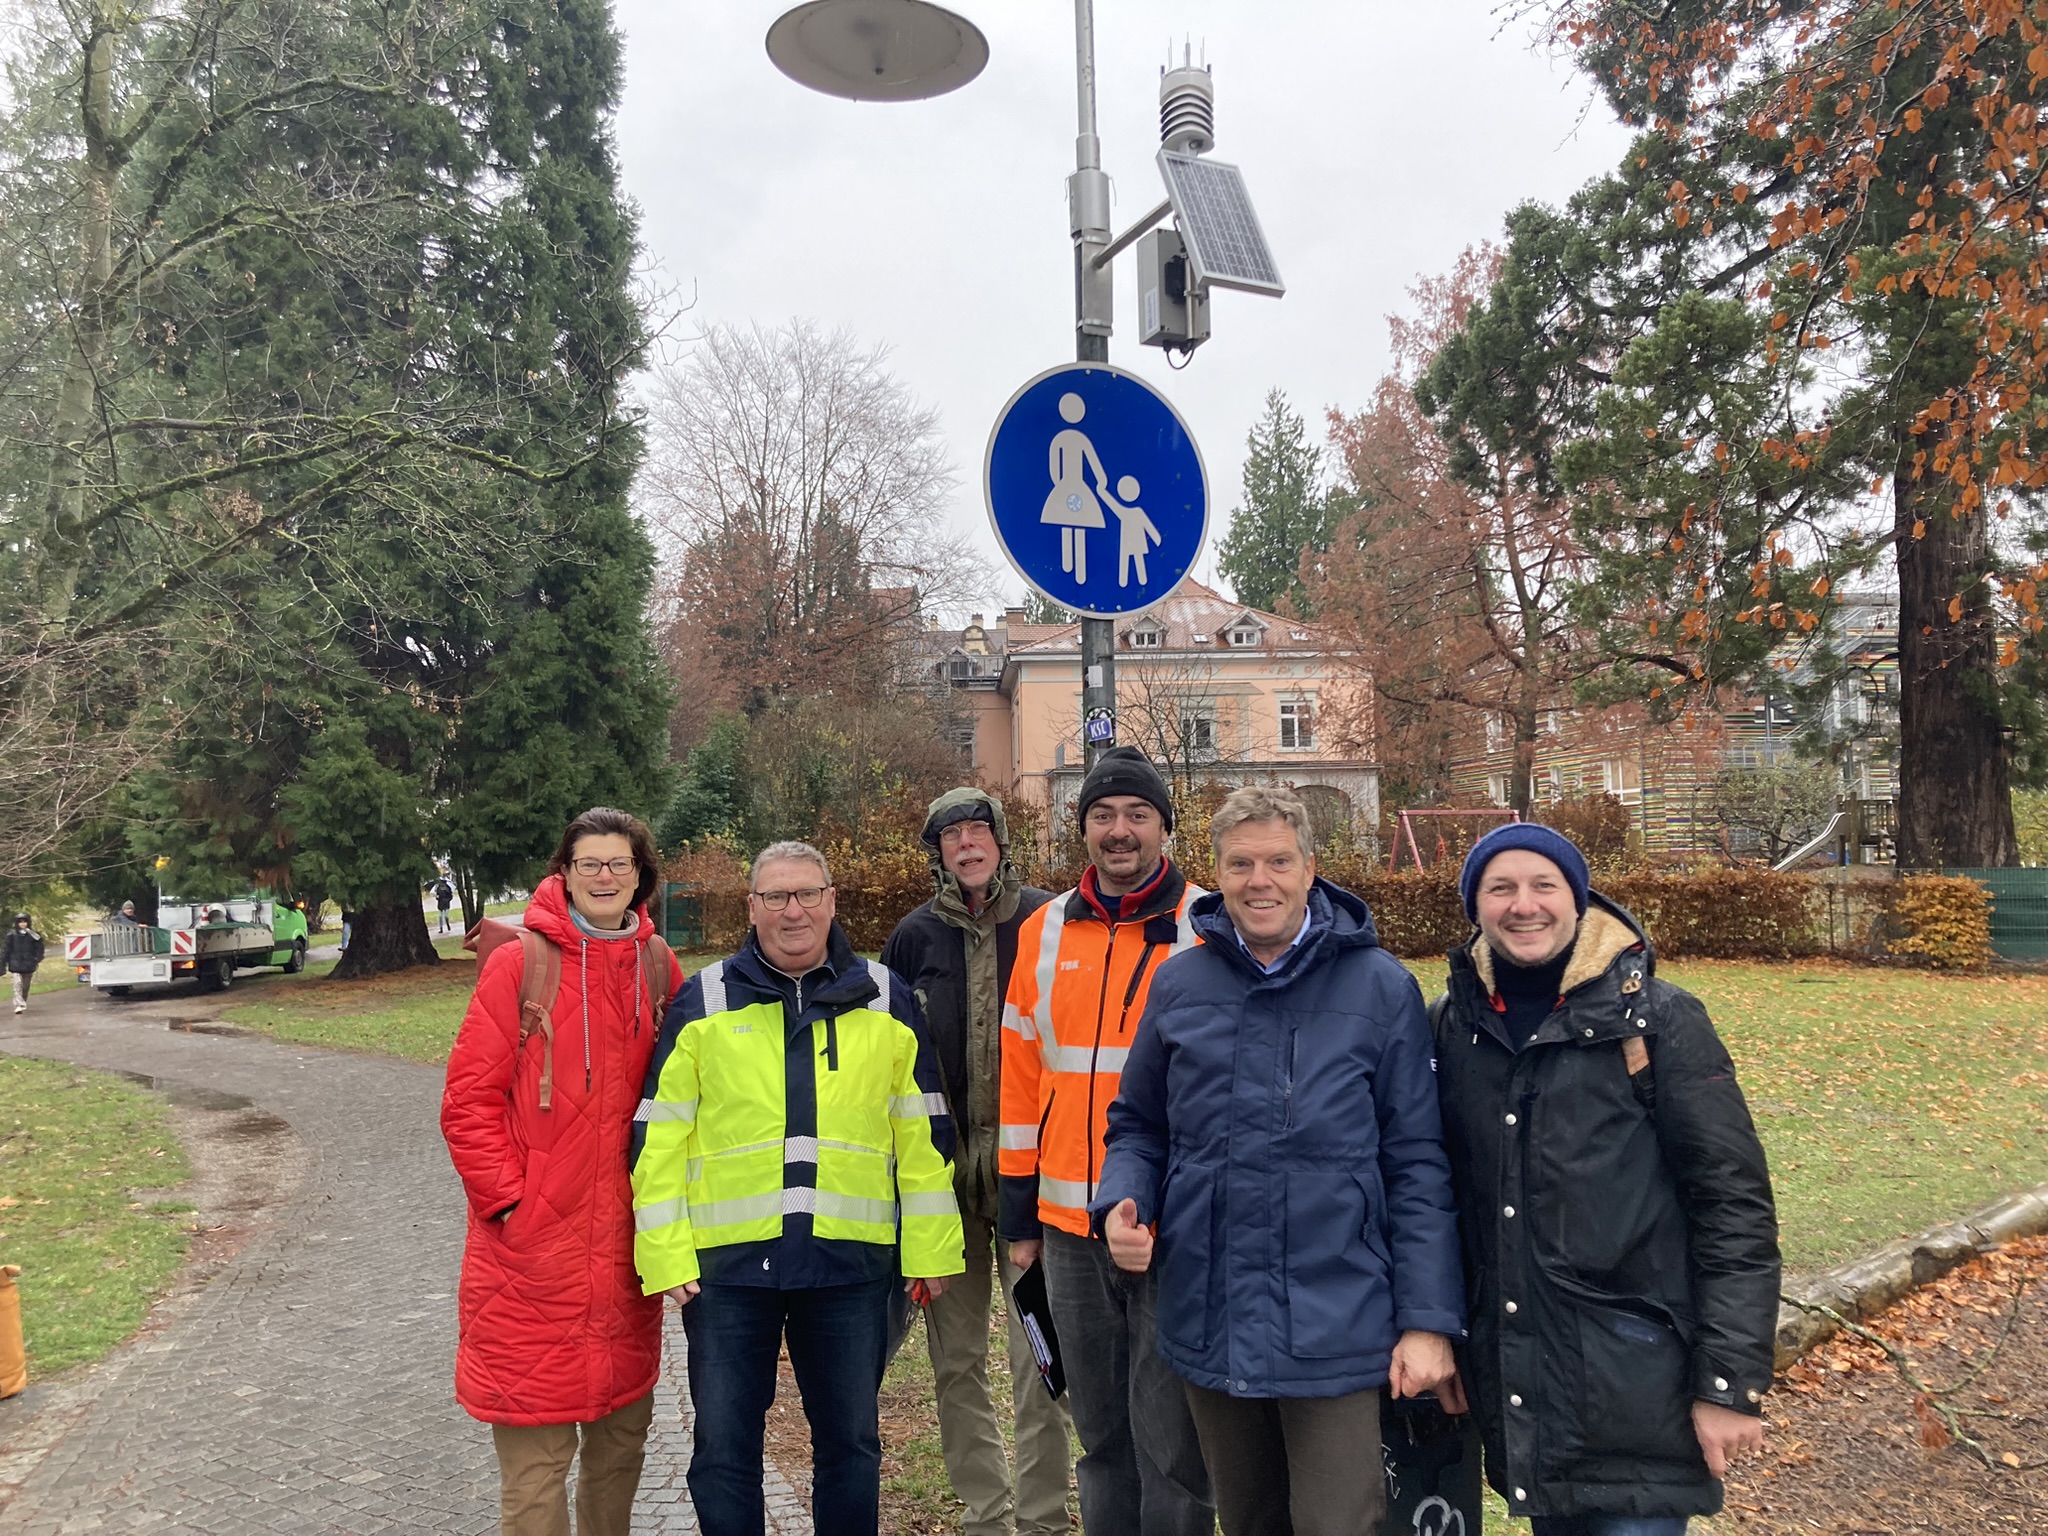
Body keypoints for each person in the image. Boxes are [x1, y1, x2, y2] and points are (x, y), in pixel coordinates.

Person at [1092, 784, 1467, 1536]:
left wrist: (1428, 1322)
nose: (1258, 880)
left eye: (1277, 862)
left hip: (1339, 1322)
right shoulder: (1180, 983)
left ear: (1310, 869)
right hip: (1212, 1311)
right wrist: (1124, 1200)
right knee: (1250, 1522)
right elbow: (1138, 1124)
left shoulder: (1381, 987)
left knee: (1339, 1523)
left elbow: (1418, 1164)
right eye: (1240, 864)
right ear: (1217, 873)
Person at [1432, 823, 1781, 1535]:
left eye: (1543, 886)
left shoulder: (1658, 1021)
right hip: (1530, 1389)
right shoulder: (1453, 1027)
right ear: (1476, 906)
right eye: (1500, 888)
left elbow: (1732, 1207)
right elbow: (1443, 1200)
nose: (1523, 905)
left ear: (1578, 898)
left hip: (1638, 1389)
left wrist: (1729, 1384)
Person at [633, 839, 965, 1536]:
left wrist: (931, 1251)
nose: (794, 911)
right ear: (752, 908)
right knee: (723, 1450)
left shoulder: (884, 997)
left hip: (848, 1265)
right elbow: (658, 1136)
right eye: (776, 896)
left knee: (850, 1446)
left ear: (831, 901)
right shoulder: (706, 999)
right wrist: (664, 1253)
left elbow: (923, 1133)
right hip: (727, 1270)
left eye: (808, 893)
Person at [441, 806, 681, 1536]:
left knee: (618, 1455)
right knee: (537, 1472)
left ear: (640, 875)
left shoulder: (657, 965)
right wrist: (512, 1206)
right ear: (565, 874)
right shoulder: (522, 963)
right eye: (590, 864)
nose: (605, 877)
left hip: (624, 1260)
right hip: (529, 1264)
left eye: (619, 864)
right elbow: (467, 1104)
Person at [998, 746, 1214, 1536]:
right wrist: (1019, 1217)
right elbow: (1022, 1077)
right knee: (1099, 1433)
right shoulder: (1044, 927)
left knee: (1175, 1441)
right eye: (1102, 816)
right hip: (1066, 1228)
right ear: (1081, 827)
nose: (1119, 832)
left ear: (1164, 825)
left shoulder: (1208, 924)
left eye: (1136, 815)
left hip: (1170, 1223)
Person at [881, 789, 1072, 1536]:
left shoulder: (1049, 921)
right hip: (944, 1188)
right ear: (937, 852)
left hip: (1032, 1183)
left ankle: (1044, 1519)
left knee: (1039, 1361)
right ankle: (986, 1516)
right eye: (951, 836)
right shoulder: (913, 938)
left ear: (998, 839)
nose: (966, 845)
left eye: (977, 830)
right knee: (955, 1364)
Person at [5, 914, 44, 1015]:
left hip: (29, 964)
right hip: (15, 964)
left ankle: (23, 1001)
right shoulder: (11, 935)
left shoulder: (34, 935)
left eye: (24, 921)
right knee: (17, 984)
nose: (23, 924)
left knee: (25, 986)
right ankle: (18, 1005)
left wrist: (37, 958)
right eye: (20, 922)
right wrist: (4, 963)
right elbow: (6, 950)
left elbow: (39, 948)